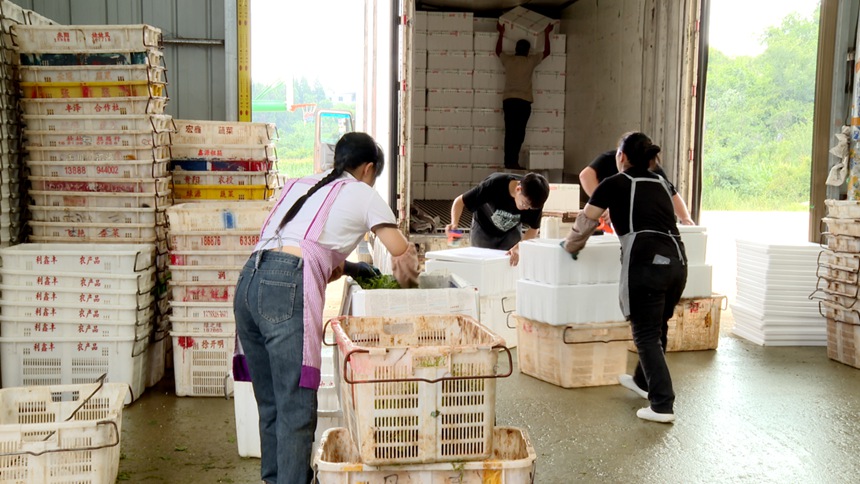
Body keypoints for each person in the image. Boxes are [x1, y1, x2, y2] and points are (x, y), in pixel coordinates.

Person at [233, 132, 419, 484]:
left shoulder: (302, 184)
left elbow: (300, 246)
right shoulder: (362, 192)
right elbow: (399, 250)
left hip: (248, 283)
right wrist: (411, 277)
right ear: (367, 169)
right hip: (284, 286)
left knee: (272, 402)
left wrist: (349, 267)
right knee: (296, 407)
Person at [561, 132, 687, 424]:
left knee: (644, 334)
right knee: (656, 327)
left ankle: (662, 404)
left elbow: (586, 221)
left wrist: (568, 246)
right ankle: (643, 383)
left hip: (646, 263)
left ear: (621, 156)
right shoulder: (661, 182)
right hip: (677, 262)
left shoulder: (614, 183)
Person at [579, 138, 695, 226]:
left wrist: (685, 219)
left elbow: (671, 194)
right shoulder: (610, 172)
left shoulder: (654, 173)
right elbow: (586, 176)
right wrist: (604, 207)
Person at [445, 171, 549, 266]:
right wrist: (454, 224)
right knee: (480, 265)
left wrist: (518, 248)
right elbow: (460, 201)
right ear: (518, 189)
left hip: (511, 231)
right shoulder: (494, 184)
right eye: (525, 204)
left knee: (510, 264)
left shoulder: (535, 199)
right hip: (483, 228)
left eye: (530, 207)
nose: (527, 209)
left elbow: (534, 228)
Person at [496, 22, 554, 170]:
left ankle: (509, 162)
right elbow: (547, 52)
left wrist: (501, 33)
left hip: (509, 101)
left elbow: (497, 51)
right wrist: (547, 33)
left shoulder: (508, 60)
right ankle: (512, 162)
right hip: (523, 103)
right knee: (519, 133)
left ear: (516, 49)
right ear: (528, 51)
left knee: (510, 133)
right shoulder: (530, 61)